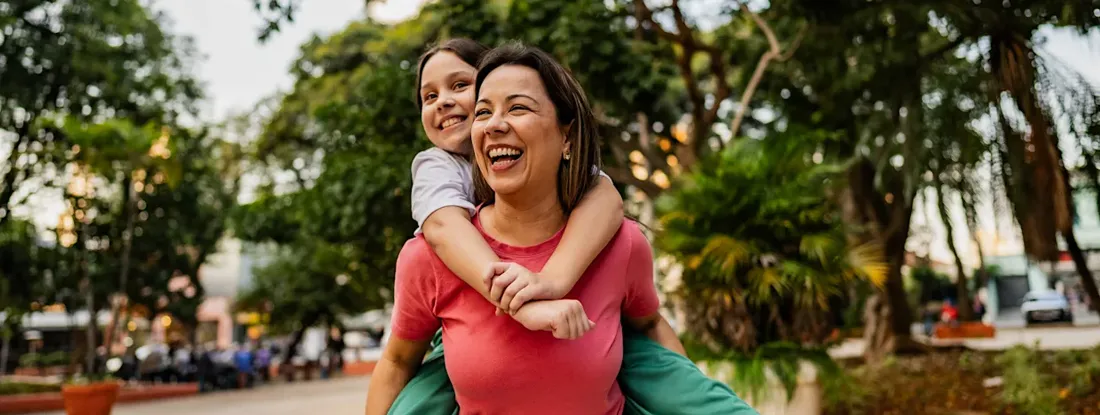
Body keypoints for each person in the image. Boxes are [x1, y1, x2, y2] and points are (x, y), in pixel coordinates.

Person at [367, 41, 755, 415]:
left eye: (461, 87)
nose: (447, 103)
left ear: (566, 136)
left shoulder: (615, 238)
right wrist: (524, 305)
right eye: (429, 96)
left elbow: (606, 198)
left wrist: (552, 278)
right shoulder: (436, 183)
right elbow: (440, 228)